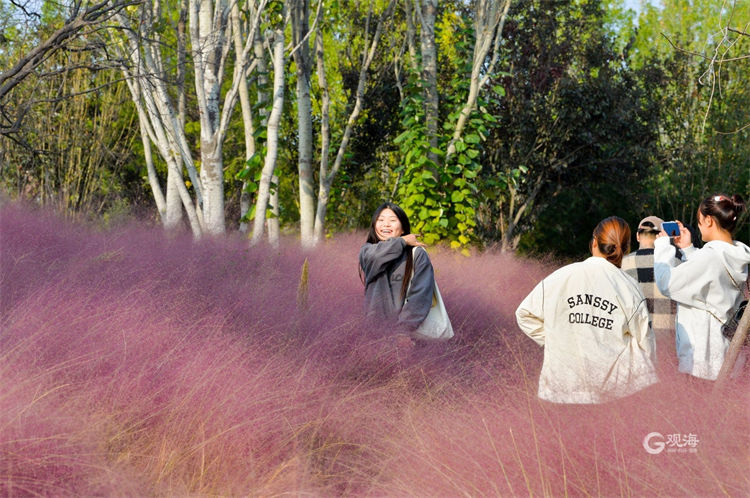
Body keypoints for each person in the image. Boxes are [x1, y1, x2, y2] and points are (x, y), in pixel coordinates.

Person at [515, 216, 658, 404]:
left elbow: (524, 313)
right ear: (626, 249)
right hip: (612, 391)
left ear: (595, 242)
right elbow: (644, 340)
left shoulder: (560, 277)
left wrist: (555, 339)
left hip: (560, 388)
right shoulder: (627, 286)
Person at [654, 194, 750, 381]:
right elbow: (709, 279)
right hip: (729, 357)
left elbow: (667, 283)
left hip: (703, 362)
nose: (698, 227)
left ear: (709, 220)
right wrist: (688, 249)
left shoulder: (710, 257)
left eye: (699, 221)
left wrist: (662, 246)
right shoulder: (738, 254)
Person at [359, 202, 435, 334]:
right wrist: (403, 241)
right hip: (372, 333)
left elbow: (420, 296)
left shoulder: (416, 254)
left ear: (403, 228)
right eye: (380, 220)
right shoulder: (367, 252)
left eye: (392, 220)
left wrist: (403, 331)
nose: (386, 224)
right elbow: (376, 257)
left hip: (406, 335)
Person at [621, 216, 678, 367]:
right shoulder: (675, 263)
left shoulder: (621, 265)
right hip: (670, 344)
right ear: (661, 236)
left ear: (637, 236)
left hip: (637, 345)